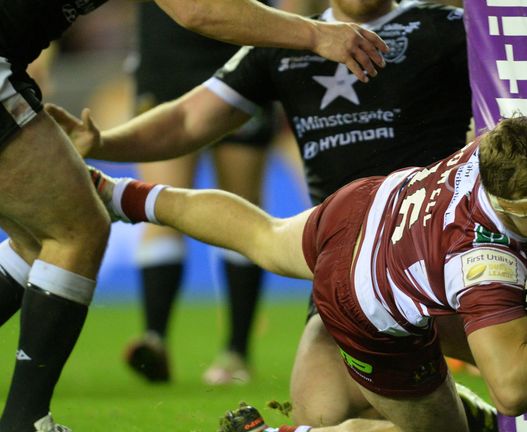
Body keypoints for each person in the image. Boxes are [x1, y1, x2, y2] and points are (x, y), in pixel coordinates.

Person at [86, 115, 527, 432]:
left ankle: (118, 194)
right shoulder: (482, 264)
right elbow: (514, 388)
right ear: (503, 209)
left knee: (262, 236)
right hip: (358, 299)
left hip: (368, 206)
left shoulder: (514, 147)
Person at [45, 0, 472, 424]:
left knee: (508, 375)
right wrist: (101, 143)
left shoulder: (447, 28)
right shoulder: (285, 42)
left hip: (442, 258)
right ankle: (476, 419)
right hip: (347, 272)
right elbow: (186, 121)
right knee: (322, 414)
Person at [123, 1, 281, 386]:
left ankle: (236, 350)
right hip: (171, 52)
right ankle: (156, 340)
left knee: (243, 211)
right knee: (159, 202)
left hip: (241, 49)